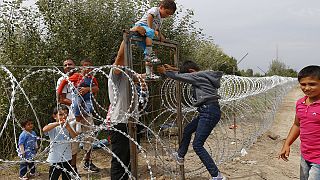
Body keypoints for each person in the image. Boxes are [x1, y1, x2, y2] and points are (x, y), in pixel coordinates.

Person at [157, 60, 226, 180]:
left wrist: (166, 73)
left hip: (208, 111)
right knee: (188, 129)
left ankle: (217, 175)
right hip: (208, 110)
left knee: (197, 145)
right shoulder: (204, 75)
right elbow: (185, 73)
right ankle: (180, 155)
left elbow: (183, 77)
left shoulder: (198, 76)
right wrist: (172, 69)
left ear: (192, 71)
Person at [56, 59, 100, 174]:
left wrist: (87, 89)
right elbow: (61, 99)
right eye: (65, 65)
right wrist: (77, 105)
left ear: (75, 66)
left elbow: (96, 88)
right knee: (73, 140)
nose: (68, 66)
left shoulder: (85, 76)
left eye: (70, 64)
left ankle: (87, 161)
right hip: (71, 113)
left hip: (86, 112)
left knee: (89, 136)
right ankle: (73, 166)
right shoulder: (62, 80)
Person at [115, 0, 176, 80]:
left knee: (148, 54)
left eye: (169, 15)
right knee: (150, 41)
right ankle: (149, 55)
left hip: (146, 36)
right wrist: (150, 29)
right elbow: (150, 17)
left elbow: (157, 29)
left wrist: (160, 35)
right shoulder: (155, 10)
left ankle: (148, 73)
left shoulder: (160, 19)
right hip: (142, 26)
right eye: (167, 13)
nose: (167, 16)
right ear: (161, 7)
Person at [278, 65, 320, 180]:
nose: (307, 88)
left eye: (312, 84)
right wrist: (287, 144)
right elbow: (297, 125)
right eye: (303, 84)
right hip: (305, 155)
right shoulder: (300, 103)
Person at [108, 52, 142, 179]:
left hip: (133, 122)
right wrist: (128, 36)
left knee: (128, 160)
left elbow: (143, 76)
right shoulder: (115, 74)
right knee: (120, 162)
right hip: (121, 123)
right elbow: (120, 59)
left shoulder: (128, 77)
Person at [43, 105, 78, 180]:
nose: (64, 116)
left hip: (67, 158)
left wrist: (68, 127)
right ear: (54, 116)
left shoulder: (69, 126)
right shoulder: (52, 126)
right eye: (61, 114)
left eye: (66, 114)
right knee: (53, 178)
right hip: (55, 159)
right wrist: (58, 123)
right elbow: (45, 129)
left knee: (67, 177)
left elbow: (75, 137)